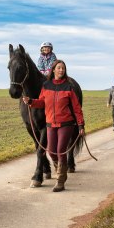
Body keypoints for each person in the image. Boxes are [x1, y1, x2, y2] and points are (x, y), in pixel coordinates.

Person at [22, 60, 84, 192]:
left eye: (63, 68)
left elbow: (77, 108)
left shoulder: (69, 87)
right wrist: (31, 101)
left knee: (61, 149)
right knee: (51, 151)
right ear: (54, 70)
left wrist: (80, 125)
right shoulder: (46, 85)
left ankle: (60, 181)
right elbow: (42, 102)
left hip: (66, 123)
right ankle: (60, 171)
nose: (61, 70)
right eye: (59, 68)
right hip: (51, 124)